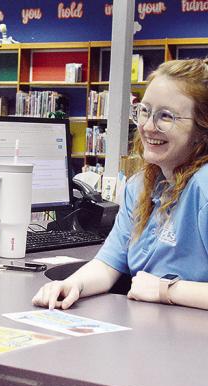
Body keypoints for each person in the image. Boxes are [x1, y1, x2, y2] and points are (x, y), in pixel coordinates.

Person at [33, 58, 208, 311]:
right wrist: (73, 284)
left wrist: (166, 290)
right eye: (145, 111)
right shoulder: (141, 187)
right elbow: (109, 264)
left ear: (202, 130)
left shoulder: (203, 188)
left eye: (166, 116)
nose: (148, 127)